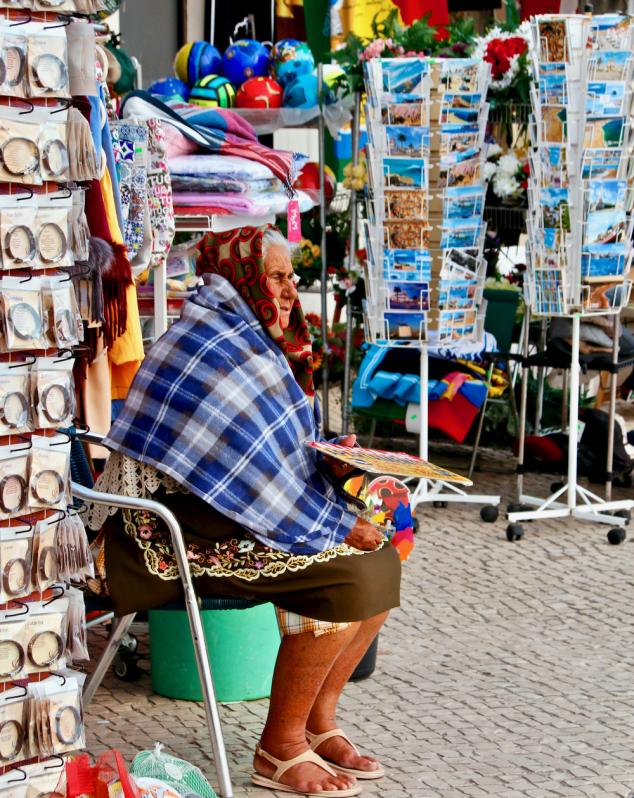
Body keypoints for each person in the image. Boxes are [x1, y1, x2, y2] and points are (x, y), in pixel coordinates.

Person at [88, 224, 402, 797]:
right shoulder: (209, 344)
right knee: (351, 570)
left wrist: (332, 467)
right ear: (241, 278)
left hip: (220, 518)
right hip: (161, 538)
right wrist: (332, 519)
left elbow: (265, 459)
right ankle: (277, 750)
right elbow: (241, 476)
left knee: (390, 539)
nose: (287, 291)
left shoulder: (248, 336)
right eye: (276, 276)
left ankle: (316, 720)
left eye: (290, 277)